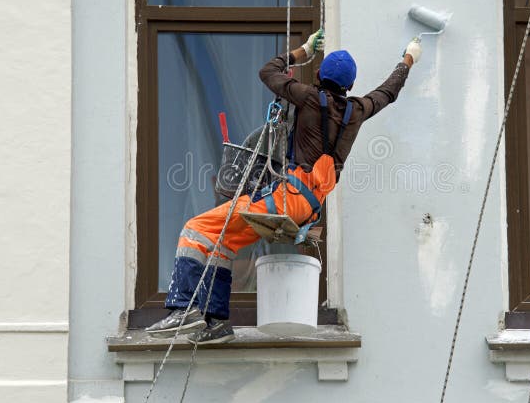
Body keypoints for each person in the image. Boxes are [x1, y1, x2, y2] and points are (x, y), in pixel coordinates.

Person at [147, 30, 423, 343]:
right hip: (310, 207)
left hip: (287, 198)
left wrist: (302, 52)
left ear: (319, 75)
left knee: (195, 228)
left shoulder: (306, 97)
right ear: (350, 86)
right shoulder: (356, 110)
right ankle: (217, 322)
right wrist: (408, 60)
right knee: (223, 241)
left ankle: (184, 308)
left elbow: (266, 71)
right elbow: (388, 93)